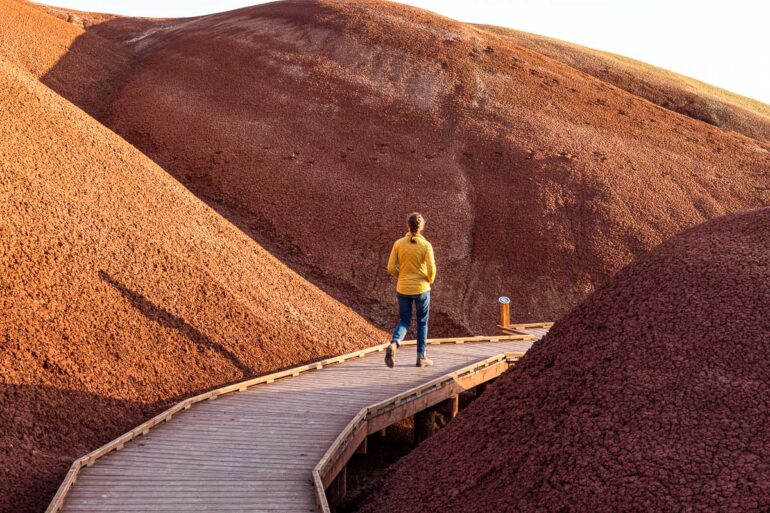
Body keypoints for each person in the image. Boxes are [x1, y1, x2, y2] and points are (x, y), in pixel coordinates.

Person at [385, 212, 437, 368]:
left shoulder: (399, 243)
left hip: (403, 288)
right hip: (421, 289)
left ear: (408, 225)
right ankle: (421, 358)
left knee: (404, 320)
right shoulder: (426, 245)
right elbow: (432, 269)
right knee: (422, 322)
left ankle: (395, 343)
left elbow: (390, 267)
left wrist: (400, 277)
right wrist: (429, 280)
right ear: (421, 227)